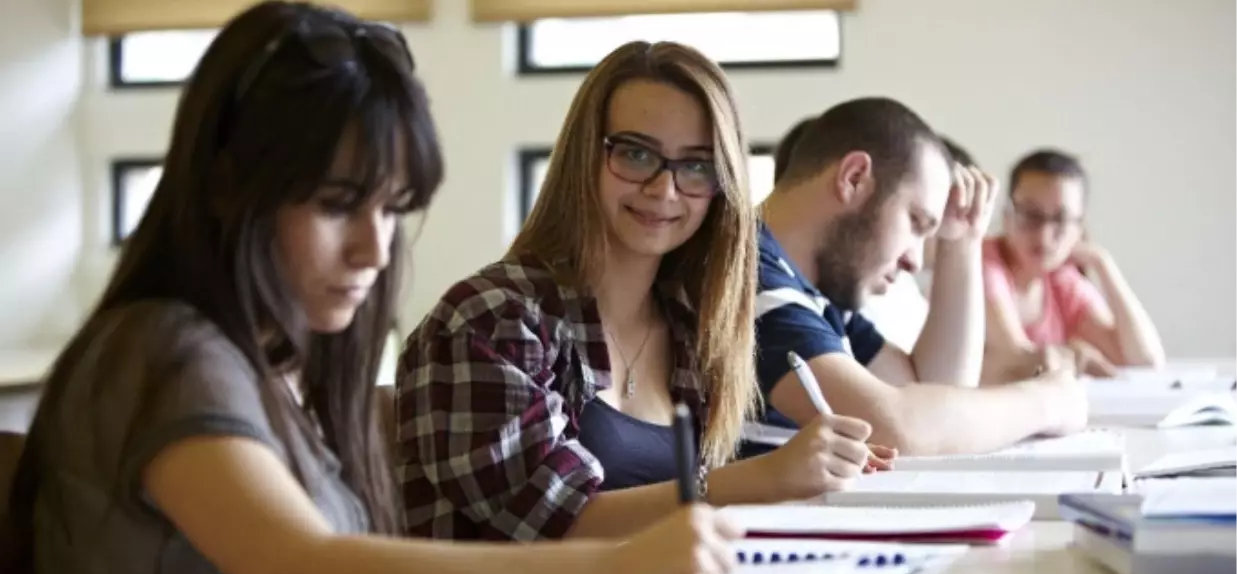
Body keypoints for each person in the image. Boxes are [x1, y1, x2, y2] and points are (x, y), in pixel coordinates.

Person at [8, 5, 748, 574]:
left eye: (393, 209)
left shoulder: (268, 368)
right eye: (338, 204)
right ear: (229, 185)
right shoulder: (162, 351)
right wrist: (617, 569)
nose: (374, 249)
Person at [397, 41, 875, 543]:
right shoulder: (490, 320)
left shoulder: (692, 329)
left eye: (695, 166)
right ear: (585, 155)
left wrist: (819, 469)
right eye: (635, 153)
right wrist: (764, 478)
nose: (664, 190)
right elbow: (554, 525)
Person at [749, 97, 1089, 458]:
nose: (913, 259)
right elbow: (893, 428)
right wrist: (1046, 402)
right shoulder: (748, 273)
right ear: (854, 178)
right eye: (915, 222)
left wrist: (961, 241)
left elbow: (938, 390)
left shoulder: (812, 292)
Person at [981, 149, 1165, 381]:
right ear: (1008, 215)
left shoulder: (1061, 281)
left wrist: (1103, 263)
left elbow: (1145, 361)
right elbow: (1018, 360)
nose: (1045, 235)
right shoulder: (983, 260)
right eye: (1031, 215)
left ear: (1079, 227)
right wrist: (1074, 356)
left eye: (1061, 219)